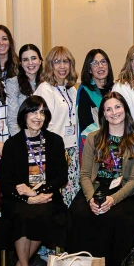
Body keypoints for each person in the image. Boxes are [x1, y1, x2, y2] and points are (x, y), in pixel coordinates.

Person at [0, 95, 69, 266]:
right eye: (33, 112)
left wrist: (38, 193)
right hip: (18, 199)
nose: (38, 117)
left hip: (47, 196)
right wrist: (27, 197)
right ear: (24, 115)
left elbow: (61, 177)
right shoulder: (12, 144)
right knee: (22, 215)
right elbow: (6, 183)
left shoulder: (55, 141)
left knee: (43, 214)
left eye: (42, 112)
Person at [69, 92, 134, 266]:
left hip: (125, 191)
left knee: (117, 216)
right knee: (80, 213)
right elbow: (85, 175)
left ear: (125, 110)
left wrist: (113, 199)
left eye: (117, 107)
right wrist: (90, 199)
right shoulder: (93, 138)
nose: (114, 112)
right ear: (103, 114)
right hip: (96, 187)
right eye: (108, 109)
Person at [34, 46, 80, 205]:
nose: (62, 66)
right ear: (50, 65)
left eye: (66, 61)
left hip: (72, 149)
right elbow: (43, 123)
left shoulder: (71, 89)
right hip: (55, 150)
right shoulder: (45, 89)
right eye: (57, 62)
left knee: (73, 195)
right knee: (58, 197)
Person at [5, 44, 43, 133]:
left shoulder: (47, 83)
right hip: (23, 135)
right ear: (21, 63)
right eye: (25, 60)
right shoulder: (13, 83)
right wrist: (21, 140)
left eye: (33, 58)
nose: (30, 63)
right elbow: (13, 119)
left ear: (40, 61)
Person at [77, 49, 114, 132]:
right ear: (89, 69)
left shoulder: (115, 89)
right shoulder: (85, 91)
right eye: (95, 63)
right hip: (95, 138)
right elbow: (85, 124)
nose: (100, 66)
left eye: (103, 62)